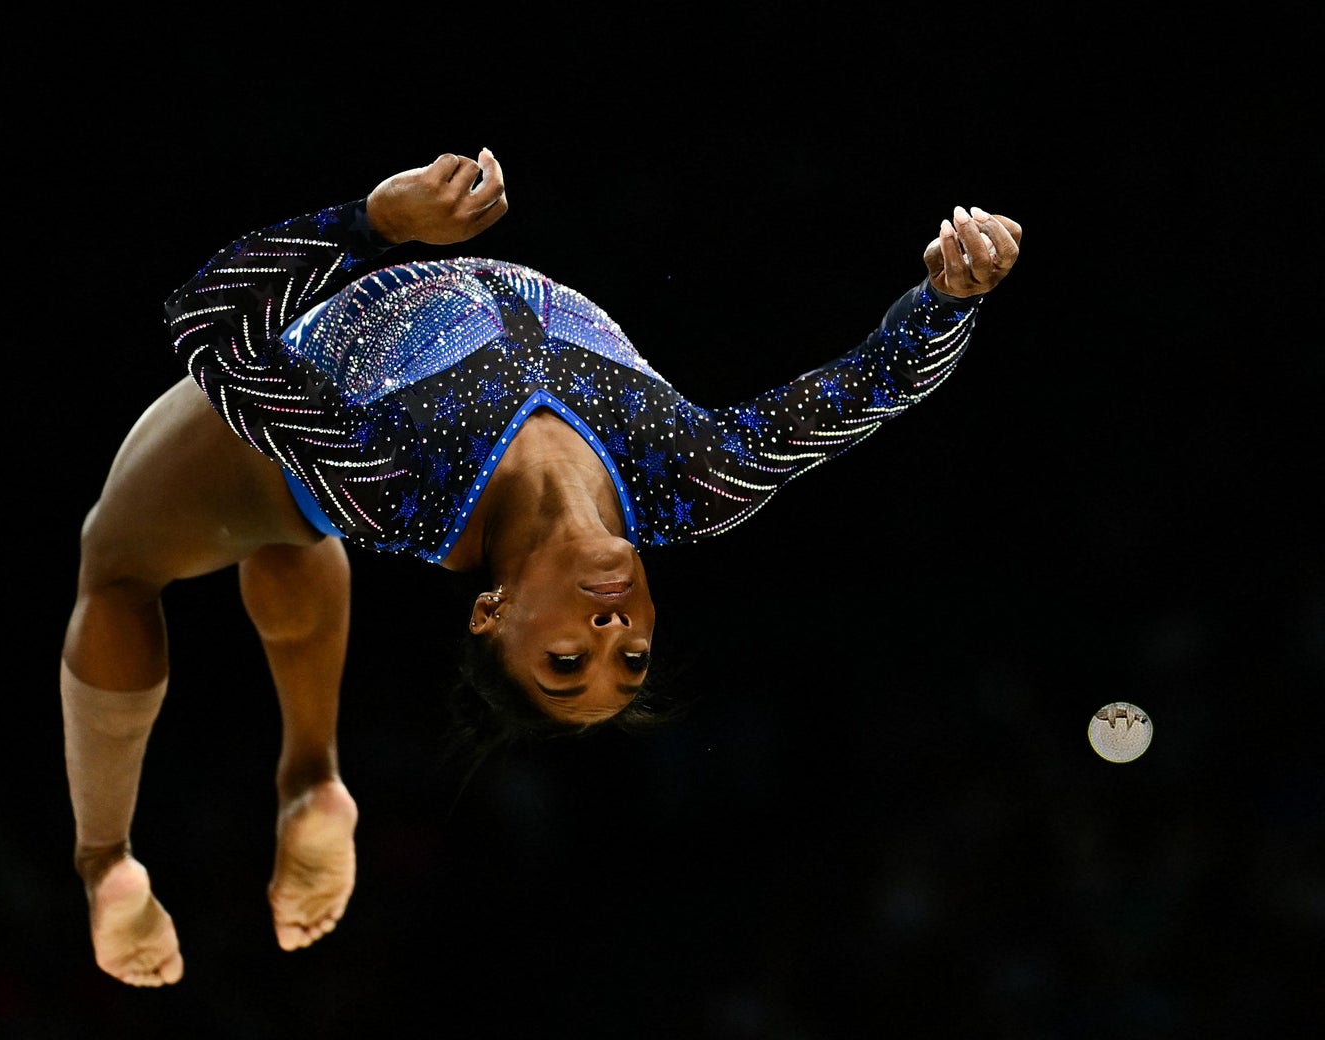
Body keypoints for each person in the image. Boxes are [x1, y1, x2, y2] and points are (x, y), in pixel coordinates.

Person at [61, 146, 1022, 986]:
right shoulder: (695, 480)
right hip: (328, 472)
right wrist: (949, 298)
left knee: (118, 565)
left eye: (566, 663)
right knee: (290, 547)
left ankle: (104, 861)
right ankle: (313, 780)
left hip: (290, 428)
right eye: (632, 661)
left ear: (491, 614)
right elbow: (869, 388)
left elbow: (206, 319)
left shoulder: (394, 479)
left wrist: (377, 220)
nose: (611, 637)